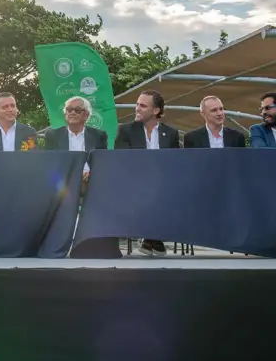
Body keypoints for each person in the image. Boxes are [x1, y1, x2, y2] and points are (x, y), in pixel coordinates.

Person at [115, 89, 181, 257]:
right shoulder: (125, 131)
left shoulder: (171, 134)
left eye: (143, 106)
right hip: (134, 183)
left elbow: (175, 163)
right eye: (137, 104)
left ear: (156, 110)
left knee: (167, 190)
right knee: (152, 191)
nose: (137, 108)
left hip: (164, 185)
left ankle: (150, 238)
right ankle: (154, 238)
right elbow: (122, 161)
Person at [42, 95, 107, 180]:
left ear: (86, 115)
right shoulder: (53, 135)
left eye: (77, 110)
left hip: (91, 180)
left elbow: (103, 161)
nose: (72, 113)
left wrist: (92, 173)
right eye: (69, 109)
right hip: (64, 180)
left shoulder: (98, 135)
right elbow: (49, 162)